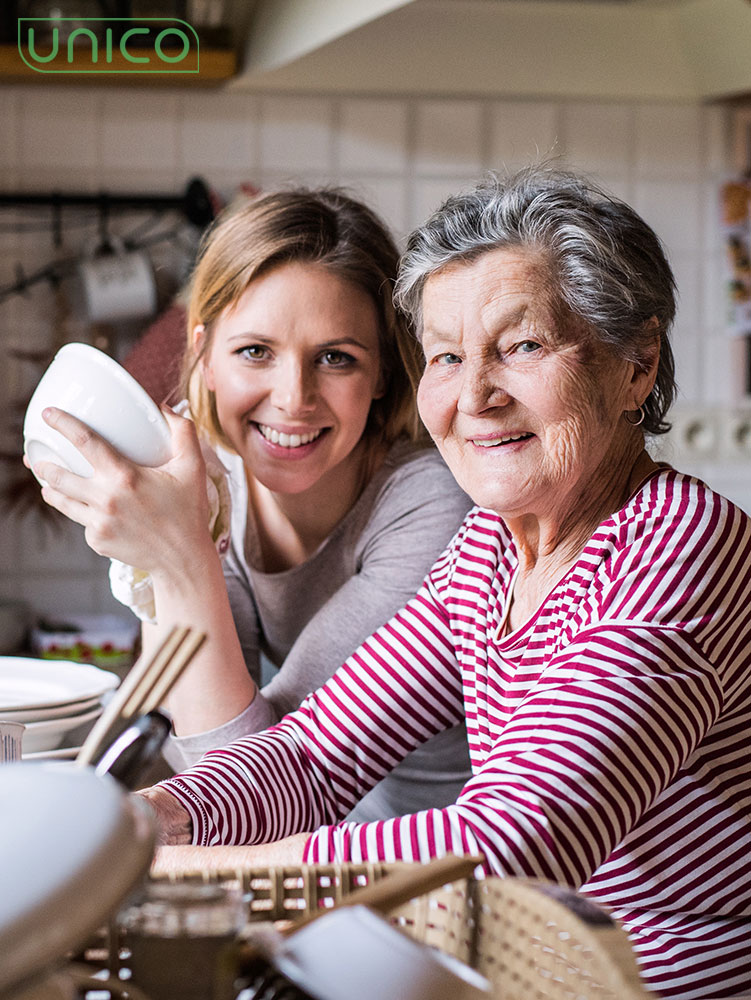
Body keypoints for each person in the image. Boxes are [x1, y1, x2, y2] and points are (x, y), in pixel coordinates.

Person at [135, 166, 751, 1000]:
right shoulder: (487, 552)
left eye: (522, 346)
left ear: (635, 365)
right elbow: (314, 760)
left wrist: (171, 873)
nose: (474, 396)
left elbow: (501, 846)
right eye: (448, 356)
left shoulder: (682, 546)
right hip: (524, 971)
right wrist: (143, 824)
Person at [32, 187, 474, 819]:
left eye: (335, 358)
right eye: (255, 352)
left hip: (430, 872)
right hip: (308, 860)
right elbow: (198, 762)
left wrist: (177, 554)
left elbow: (257, 787)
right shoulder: (213, 482)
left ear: (381, 374)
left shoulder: (429, 508)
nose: (294, 397)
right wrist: (158, 556)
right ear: (204, 354)